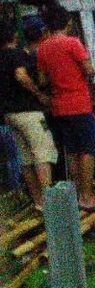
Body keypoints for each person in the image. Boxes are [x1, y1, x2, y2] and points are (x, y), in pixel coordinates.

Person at [36, 5, 95, 210]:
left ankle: (77, 195)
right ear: (67, 23)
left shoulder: (43, 48)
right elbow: (89, 70)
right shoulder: (72, 43)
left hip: (59, 107)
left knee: (71, 150)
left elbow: (42, 81)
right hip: (78, 104)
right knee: (89, 148)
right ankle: (87, 196)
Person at [0, 19, 58, 211]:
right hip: (29, 112)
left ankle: (38, 201)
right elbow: (21, 75)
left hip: (10, 114)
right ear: (14, 35)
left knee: (25, 158)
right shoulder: (16, 54)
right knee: (42, 154)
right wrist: (38, 94)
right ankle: (49, 202)